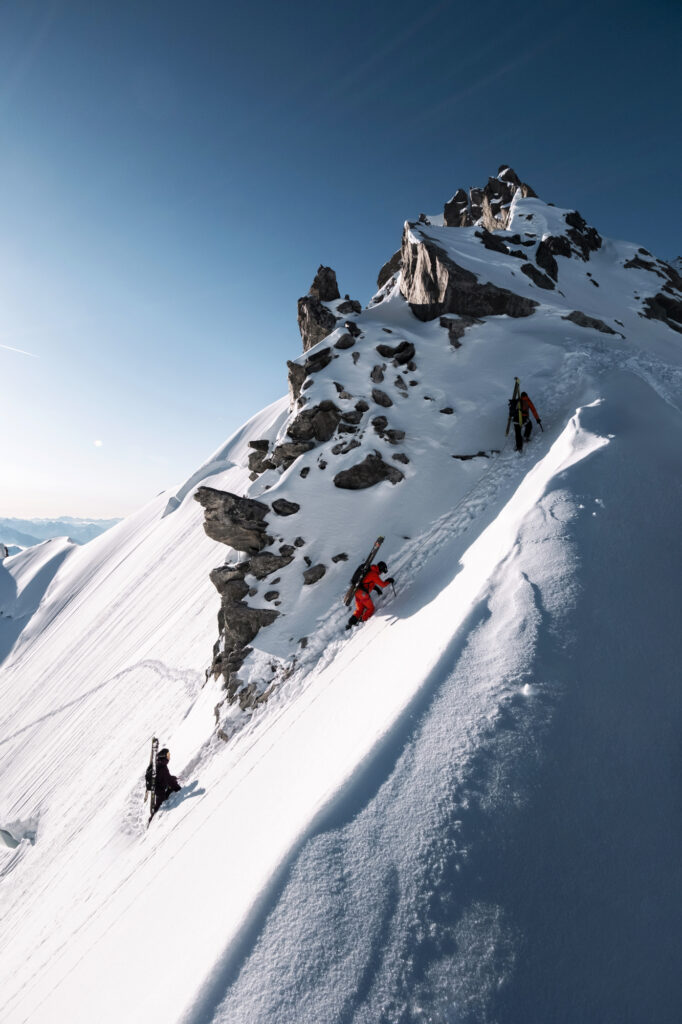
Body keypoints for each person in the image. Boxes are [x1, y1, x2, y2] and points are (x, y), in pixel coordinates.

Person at [346, 561, 394, 629]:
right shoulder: (374, 574)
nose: (381, 573)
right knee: (371, 608)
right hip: (363, 594)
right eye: (382, 571)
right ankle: (363, 620)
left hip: (357, 592)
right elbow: (383, 584)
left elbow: (367, 582)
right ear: (381, 569)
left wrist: (377, 589)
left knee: (360, 609)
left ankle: (350, 623)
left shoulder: (370, 571)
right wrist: (389, 581)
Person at [151, 748, 181, 817]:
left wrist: (172, 778)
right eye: (167, 756)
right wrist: (178, 788)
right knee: (159, 804)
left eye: (169, 755)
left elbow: (166, 777)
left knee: (171, 783)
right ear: (163, 756)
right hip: (159, 790)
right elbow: (169, 780)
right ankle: (152, 817)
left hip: (159, 786)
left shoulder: (159, 763)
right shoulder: (162, 767)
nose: (168, 757)